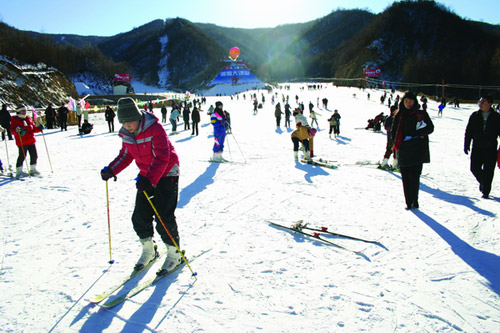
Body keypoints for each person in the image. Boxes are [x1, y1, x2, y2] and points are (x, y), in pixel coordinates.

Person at [100, 97, 182, 273]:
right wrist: (111, 170)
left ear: (138, 116)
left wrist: (150, 179)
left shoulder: (155, 128)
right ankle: (149, 250)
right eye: (124, 123)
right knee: (139, 217)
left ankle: (175, 254)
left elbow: (163, 156)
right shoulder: (127, 134)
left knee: (163, 217)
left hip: (167, 172)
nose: (128, 126)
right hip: (147, 176)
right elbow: (126, 155)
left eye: (131, 122)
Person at [391, 91, 434, 210]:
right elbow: (393, 132)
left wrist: (417, 133)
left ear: (415, 102)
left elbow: (430, 128)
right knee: (405, 177)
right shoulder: (399, 115)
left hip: (417, 149)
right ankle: (408, 202)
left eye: (410, 101)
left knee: (415, 177)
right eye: (406, 101)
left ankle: (415, 200)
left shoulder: (421, 114)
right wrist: (395, 144)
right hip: (404, 149)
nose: (408, 104)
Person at [464, 95, 500, 198]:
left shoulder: (496, 117)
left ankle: (486, 191)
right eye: (480, 102)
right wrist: (466, 144)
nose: (480, 104)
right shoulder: (474, 116)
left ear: (489, 104)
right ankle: (484, 182)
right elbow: (469, 131)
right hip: (477, 147)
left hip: (491, 148)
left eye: (483, 102)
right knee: (474, 168)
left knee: (489, 170)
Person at [10, 104, 44, 177]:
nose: (24, 112)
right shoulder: (15, 120)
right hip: (22, 141)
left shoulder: (28, 118)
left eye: (25, 110)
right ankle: (19, 170)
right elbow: (12, 130)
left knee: (34, 155)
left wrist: (39, 128)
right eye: (22, 111)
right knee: (22, 156)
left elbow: (33, 129)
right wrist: (18, 131)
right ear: (18, 112)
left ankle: (33, 168)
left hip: (31, 140)